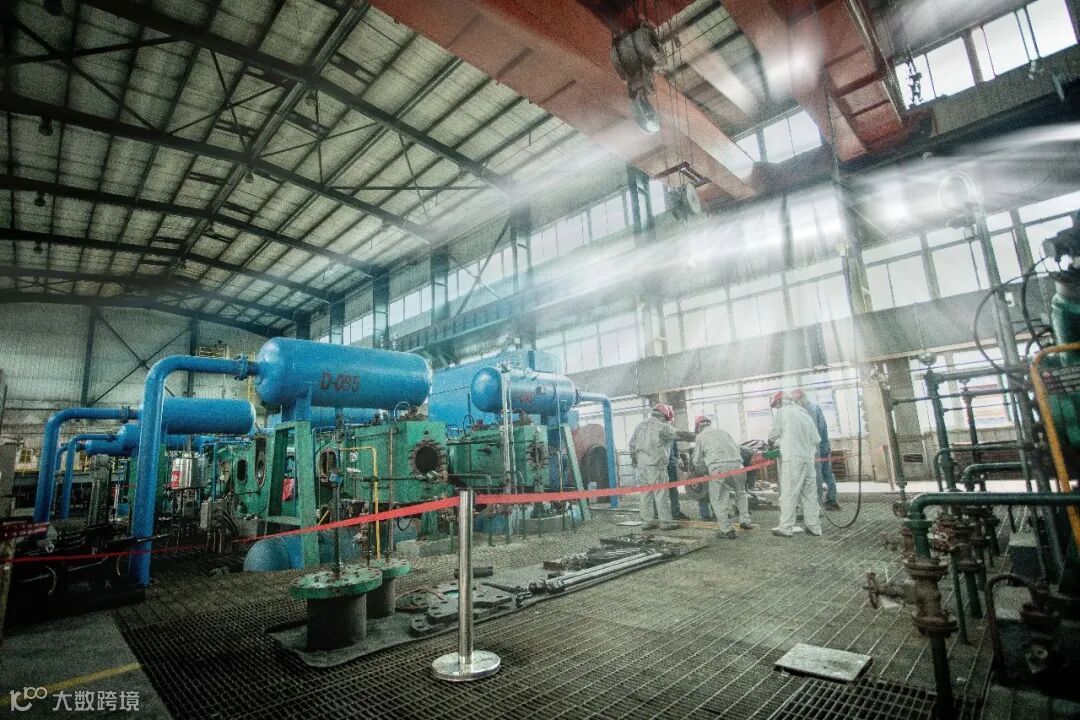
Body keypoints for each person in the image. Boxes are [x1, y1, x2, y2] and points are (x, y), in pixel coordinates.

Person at [767, 391, 822, 538]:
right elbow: (816, 439)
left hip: (792, 460)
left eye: (776, 405)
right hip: (808, 460)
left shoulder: (782, 412)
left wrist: (771, 442)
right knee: (810, 495)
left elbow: (773, 434)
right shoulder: (804, 413)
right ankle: (814, 527)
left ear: (780, 402)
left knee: (789, 494)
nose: (776, 408)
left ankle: (786, 528)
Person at [629, 403, 690, 530]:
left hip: (642, 467)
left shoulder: (639, 426)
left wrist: (634, 460)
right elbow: (680, 435)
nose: (667, 421)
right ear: (663, 416)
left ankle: (647, 522)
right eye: (667, 419)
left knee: (645, 495)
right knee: (661, 494)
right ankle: (665, 523)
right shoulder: (662, 427)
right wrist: (698, 436)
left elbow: (632, 445)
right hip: (656, 466)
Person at [692, 416, 749, 539]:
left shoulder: (700, 437)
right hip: (738, 466)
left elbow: (697, 461)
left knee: (718, 499)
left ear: (698, 427)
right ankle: (745, 521)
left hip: (719, 469)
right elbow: (737, 450)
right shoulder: (724, 432)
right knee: (741, 493)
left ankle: (726, 530)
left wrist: (704, 471)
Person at [792, 388, 841, 511]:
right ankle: (832, 500)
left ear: (801, 398)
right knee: (827, 473)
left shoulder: (808, 410)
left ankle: (817, 504)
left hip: (816, 447)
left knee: (816, 475)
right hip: (824, 445)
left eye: (796, 401)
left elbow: (811, 431)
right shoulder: (815, 407)